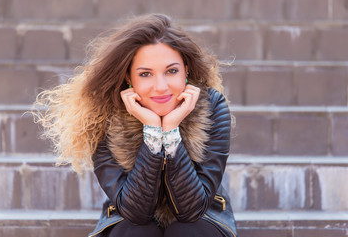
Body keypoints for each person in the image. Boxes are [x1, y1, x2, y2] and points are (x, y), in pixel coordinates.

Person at [33, 13, 237, 237]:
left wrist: (170, 131)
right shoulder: (103, 113)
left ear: (186, 70)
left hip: (203, 218)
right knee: (137, 231)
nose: (161, 87)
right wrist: (152, 131)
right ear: (129, 78)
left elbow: (192, 210)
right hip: (129, 220)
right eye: (145, 74)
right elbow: (135, 213)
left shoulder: (211, 105)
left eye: (171, 71)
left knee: (189, 230)